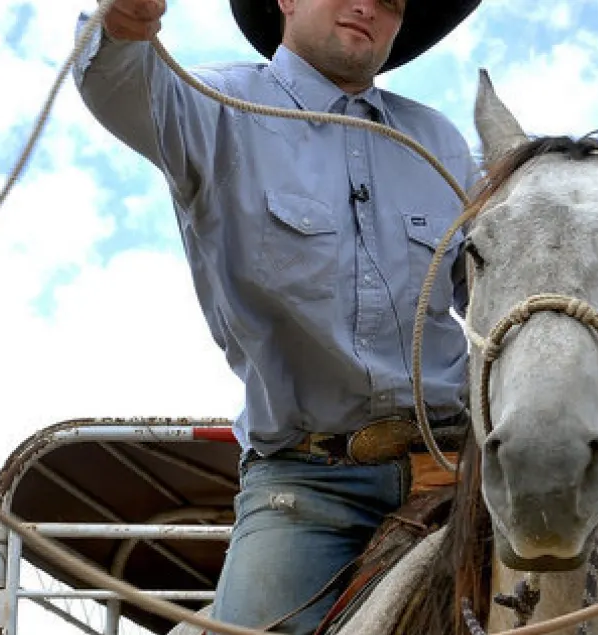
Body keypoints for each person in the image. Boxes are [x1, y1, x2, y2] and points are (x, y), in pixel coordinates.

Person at [71, 1, 482, 632]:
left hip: (457, 467)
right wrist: (123, 24)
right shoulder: (213, 105)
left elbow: (492, 293)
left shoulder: (440, 144)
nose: (371, 5)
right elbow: (121, 83)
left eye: (397, 0)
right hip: (307, 486)